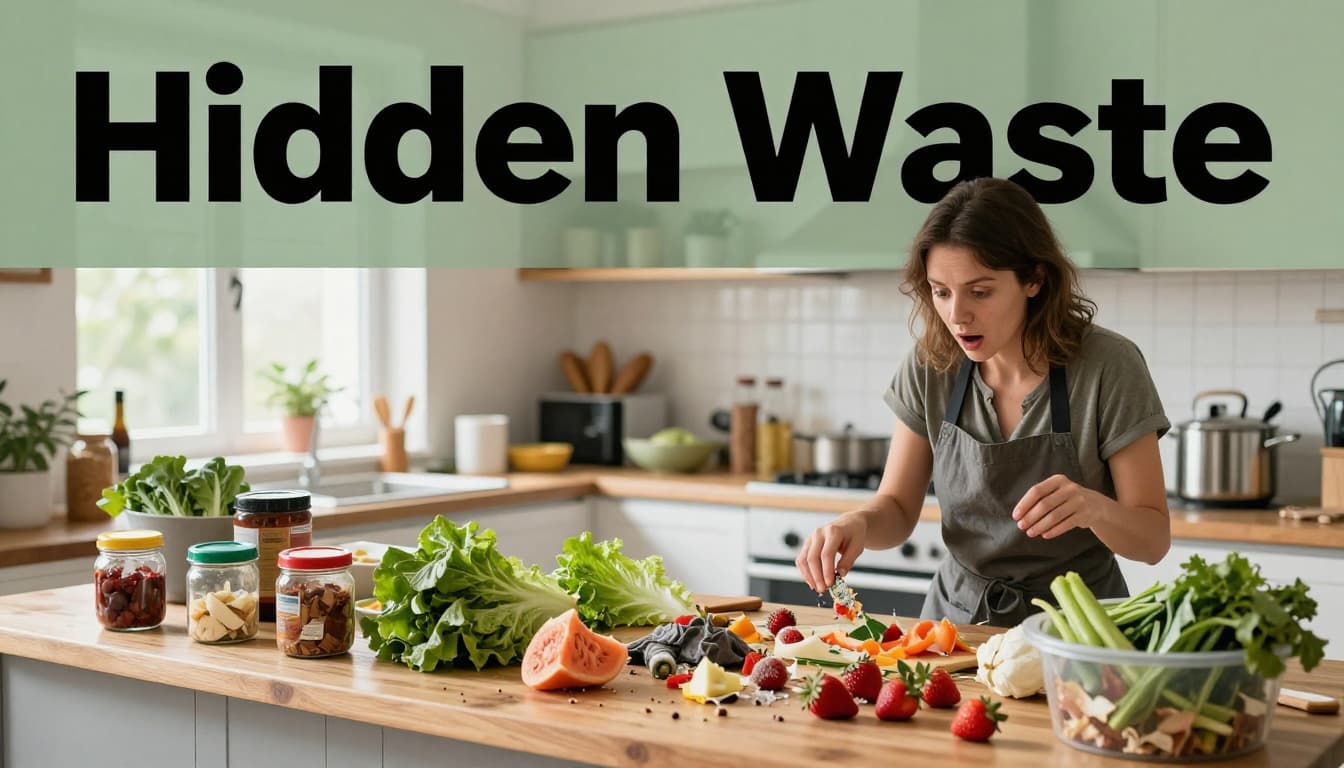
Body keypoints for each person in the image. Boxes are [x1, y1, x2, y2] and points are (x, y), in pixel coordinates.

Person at [795, 177, 1171, 628]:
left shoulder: (1108, 366)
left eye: (980, 291)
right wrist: (857, 522)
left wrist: (1093, 508)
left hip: (1077, 631)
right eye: (941, 291)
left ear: (1034, 279)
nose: (957, 315)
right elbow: (895, 508)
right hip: (956, 627)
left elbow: (1152, 540)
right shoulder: (931, 364)